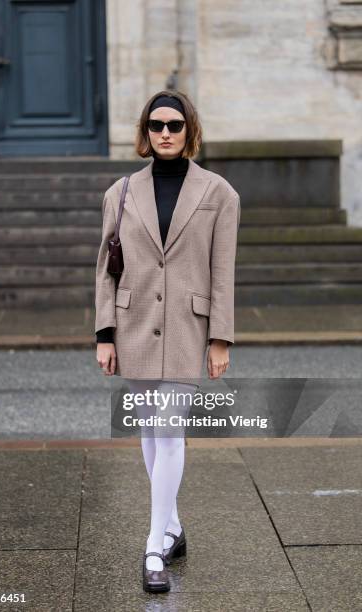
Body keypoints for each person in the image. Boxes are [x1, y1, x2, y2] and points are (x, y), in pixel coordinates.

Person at [95, 90, 241, 593]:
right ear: (144, 131)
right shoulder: (121, 192)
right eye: (156, 124)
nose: (165, 133)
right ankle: (174, 527)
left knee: (170, 430)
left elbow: (222, 271)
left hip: (187, 325)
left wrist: (220, 338)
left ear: (189, 130)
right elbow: (106, 270)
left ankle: (154, 546)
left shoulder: (220, 193)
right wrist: (104, 334)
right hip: (132, 324)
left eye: (174, 125)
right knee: (151, 431)